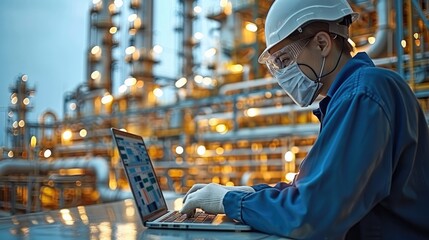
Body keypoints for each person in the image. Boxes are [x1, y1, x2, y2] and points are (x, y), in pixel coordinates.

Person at [180, 0, 429, 239]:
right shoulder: (357, 92)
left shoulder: (362, 94)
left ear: (322, 44)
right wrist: (246, 192)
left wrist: (230, 201)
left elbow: (313, 214)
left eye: (285, 61)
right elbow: (314, 190)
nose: (282, 76)